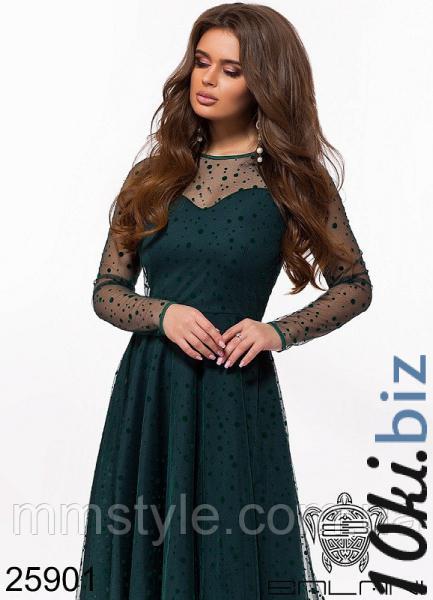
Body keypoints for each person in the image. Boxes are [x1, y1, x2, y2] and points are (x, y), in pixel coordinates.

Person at [76, 4, 373, 599]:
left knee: (230, 547)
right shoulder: (151, 176)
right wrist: (162, 314)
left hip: (233, 390)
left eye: (231, 70)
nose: (208, 79)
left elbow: (355, 285)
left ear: (265, 82)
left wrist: (276, 332)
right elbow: (107, 291)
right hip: (152, 393)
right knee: (144, 545)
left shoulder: (293, 182)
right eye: (202, 62)